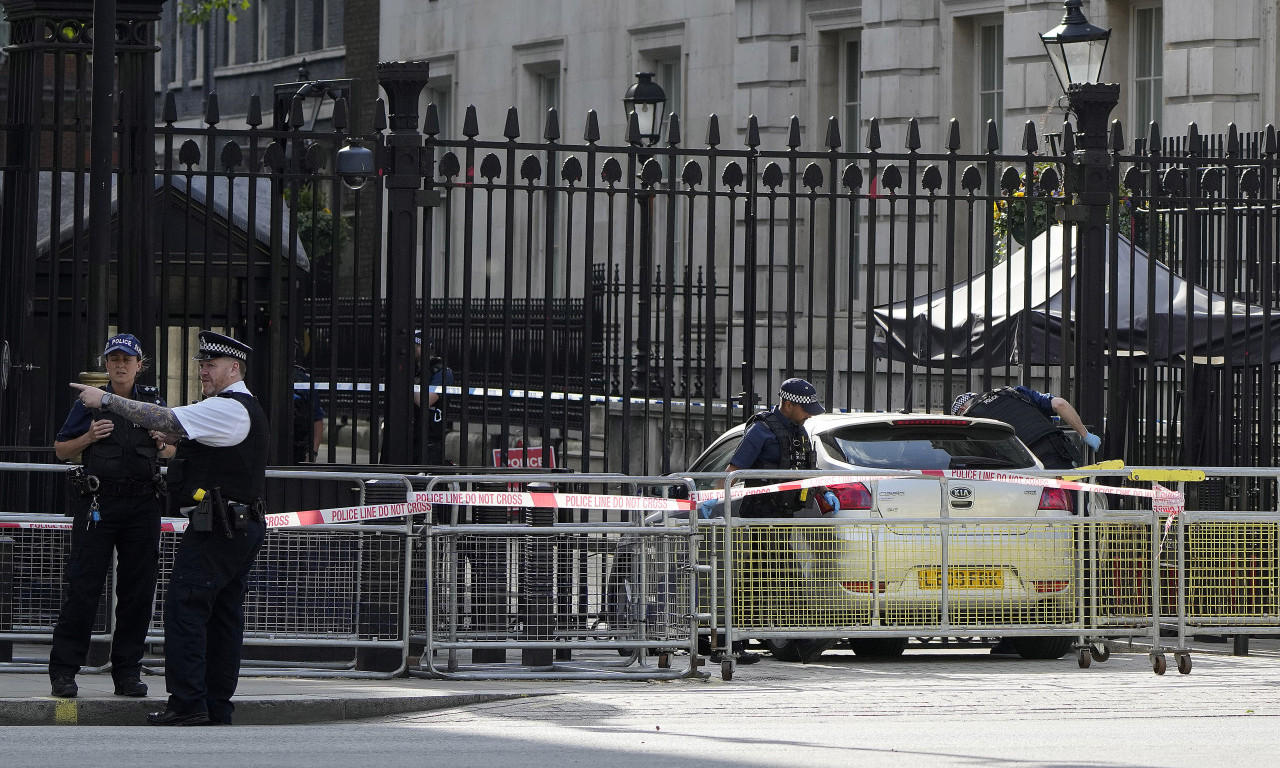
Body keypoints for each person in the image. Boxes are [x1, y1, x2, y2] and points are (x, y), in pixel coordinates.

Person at [70, 330, 268, 726]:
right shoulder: (233, 407)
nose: (202, 372)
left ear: (234, 368)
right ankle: (215, 705)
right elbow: (187, 436)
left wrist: (105, 399)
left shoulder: (229, 406)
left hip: (219, 530)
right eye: (200, 365)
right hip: (234, 526)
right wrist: (174, 437)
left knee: (186, 611)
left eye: (210, 365)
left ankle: (189, 703)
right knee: (223, 617)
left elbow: (161, 416)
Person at [48, 333, 173, 699]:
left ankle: (127, 674)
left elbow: (172, 450)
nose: (120, 364)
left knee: (138, 592)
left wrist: (162, 441)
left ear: (139, 364)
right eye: (114, 358)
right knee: (83, 588)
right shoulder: (89, 402)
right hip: (99, 504)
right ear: (106, 364)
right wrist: (87, 437)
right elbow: (60, 450)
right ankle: (64, 672)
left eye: (127, 359)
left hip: (142, 505)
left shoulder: (152, 402)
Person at [700, 377, 836, 665]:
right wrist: (712, 499)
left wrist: (823, 491)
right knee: (760, 580)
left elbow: (805, 470)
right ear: (788, 404)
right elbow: (733, 470)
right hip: (759, 516)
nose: (810, 414)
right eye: (805, 409)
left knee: (780, 579)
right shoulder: (761, 431)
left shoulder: (801, 432)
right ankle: (733, 645)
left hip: (784, 516)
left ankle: (792, 642)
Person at [951, 387, 1102, 469]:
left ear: (963, 409)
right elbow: (1060, 404)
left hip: (1022, 468)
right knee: (1076, 507)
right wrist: (1085, 435)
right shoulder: (1014, 392)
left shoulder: (972, 420)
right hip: (1056, 453)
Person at [381, 330, 456, 464]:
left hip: (429, 439)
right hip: (407, 437)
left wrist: (404, 380)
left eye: (415, 345)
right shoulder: (413, 371)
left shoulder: (442, 373)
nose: (411, 349)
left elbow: (425, 401)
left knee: (425, 481)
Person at [292, 364, 324, 463]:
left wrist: (312, 453)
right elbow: (318, 420)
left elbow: (317, 420)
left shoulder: (303, 381)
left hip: (299, 446)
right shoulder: (304, 380)